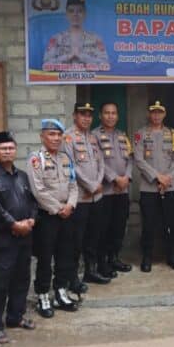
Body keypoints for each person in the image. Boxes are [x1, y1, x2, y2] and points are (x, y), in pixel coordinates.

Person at [0, 132, 38, 344]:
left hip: (25, 237)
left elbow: (32, 202)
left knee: (22, 278)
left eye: (11, 148)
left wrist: (31, 221)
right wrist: (14, 224)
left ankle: (16, 316)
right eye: (3, 148)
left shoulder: (22, 176)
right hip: (4, 239)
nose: (7, 152)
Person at [27, 119, 79, 318]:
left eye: (59, 135)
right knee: (45, 258)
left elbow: (74, 185)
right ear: (42, 136)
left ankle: (60, 291)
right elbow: (38, 191)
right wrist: (59, 209)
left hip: (67, 214)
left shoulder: (66, 158)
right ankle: (42, 295)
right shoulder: (36, 159)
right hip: (48, 217)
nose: (56, 138)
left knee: (65, 255)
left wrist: (70, 205)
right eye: (51, 134)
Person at [62, 103, 109, 291]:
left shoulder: (92, 138)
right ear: (74, 116)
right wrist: (90, 185)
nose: (86, 118)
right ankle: (72, 278)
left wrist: (98, 183)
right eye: (82, 114)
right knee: (76, 241)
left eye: (89, 115)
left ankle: (90, 271)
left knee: (93, 237)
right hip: (80, 199)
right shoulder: (68, 137)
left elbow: (101, 163)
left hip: (96, 197)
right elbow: (71, 165)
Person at [134, 101, 174, 271]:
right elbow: (139, 160)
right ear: (149, 114)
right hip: (149, 188)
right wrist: (157, 177)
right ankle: (147, 257)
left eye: (159, 112)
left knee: (170, 223)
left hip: (169, 187)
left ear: (164, 114)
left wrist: (168, 177)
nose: (156, 115)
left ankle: (172, 256)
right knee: (148, 224)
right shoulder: (141, 134)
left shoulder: (172, 134)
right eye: (153, 112)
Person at [91, 102, 133, 277]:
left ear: (117, 116)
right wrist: (115, 178)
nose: (110, 116)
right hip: (106, 192)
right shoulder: (94, 136)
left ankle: (114, 258)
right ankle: (102, 263)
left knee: (119, 227)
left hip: (122, 191)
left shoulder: (123, 135)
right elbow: (98, 160)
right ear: (100, 115)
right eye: (107, 113)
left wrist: (127, 178)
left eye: (113, 113)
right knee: (103, 229)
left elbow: (130, 159)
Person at [42, 0, 108, 69]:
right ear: (66, 14)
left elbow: (105, 65)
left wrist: (82, 56)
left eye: (79, 11)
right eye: (71, 11)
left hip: (87, 79)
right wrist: (67, 56)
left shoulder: (95, 39)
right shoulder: (56, 39)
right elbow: (46, 65)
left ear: (85, 14)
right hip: (63, 79)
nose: (75, 14)